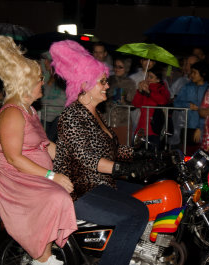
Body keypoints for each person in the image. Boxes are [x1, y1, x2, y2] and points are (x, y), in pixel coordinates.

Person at [50, 40, 154, 265]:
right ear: (85, 84)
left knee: (152, 194)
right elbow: (88, 159)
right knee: (136, 214)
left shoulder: (96, 113)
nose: (107, 86)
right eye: (103, 81)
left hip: (101, 182)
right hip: (79, 189)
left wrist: (142, 155)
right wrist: (125, 169)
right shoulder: (72, 116)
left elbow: (112, 151)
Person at [0, 36, 77, 265]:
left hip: (33, 175)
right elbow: (13, 157)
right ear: (25, 84)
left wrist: (75, 161)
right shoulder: (12, 113)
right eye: (38, 79)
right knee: (56, 196)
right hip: (18, 178)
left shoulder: (30, 111)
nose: (42, 82)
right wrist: (52, 175)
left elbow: (46, 145)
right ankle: (43, 259)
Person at [174, 61, 209, 155]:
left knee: (203, 155)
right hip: (188, 126)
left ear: (203, 74)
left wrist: (200, 127)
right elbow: (176, 103)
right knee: (187, 154)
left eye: (194, 73)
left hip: (205, 127)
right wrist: (188, 105)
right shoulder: (187, 87)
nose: (191, 75)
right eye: (191, 72)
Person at [132, 64, 171, 148]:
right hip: (141, 128)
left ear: (158, 79)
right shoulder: (145, 87)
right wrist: (139, 91)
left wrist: (149, 92)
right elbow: (136, 104)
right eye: (147, 76)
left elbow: (163, 101)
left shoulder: (161, 88)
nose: (148, 79)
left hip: (153, 128)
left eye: (151, 77)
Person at [104, 56, 136, 145]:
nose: (116, 69)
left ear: (126, 68)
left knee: (123, 152)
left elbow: (133, 105)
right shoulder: (108, 80)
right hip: (107, 121)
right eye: (115, 66)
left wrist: (125, 101)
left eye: (120, 67)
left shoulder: (130, 83)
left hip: (123, 122)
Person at [39, 51, 66, 142]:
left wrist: (45, 104)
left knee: (48, 142)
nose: (45, 62)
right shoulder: (45, 77)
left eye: (48, 60)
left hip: (56, 117)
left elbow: (63, 101)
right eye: (45, 60)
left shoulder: (63, 79)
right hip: (44, 116)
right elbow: (41, 97)